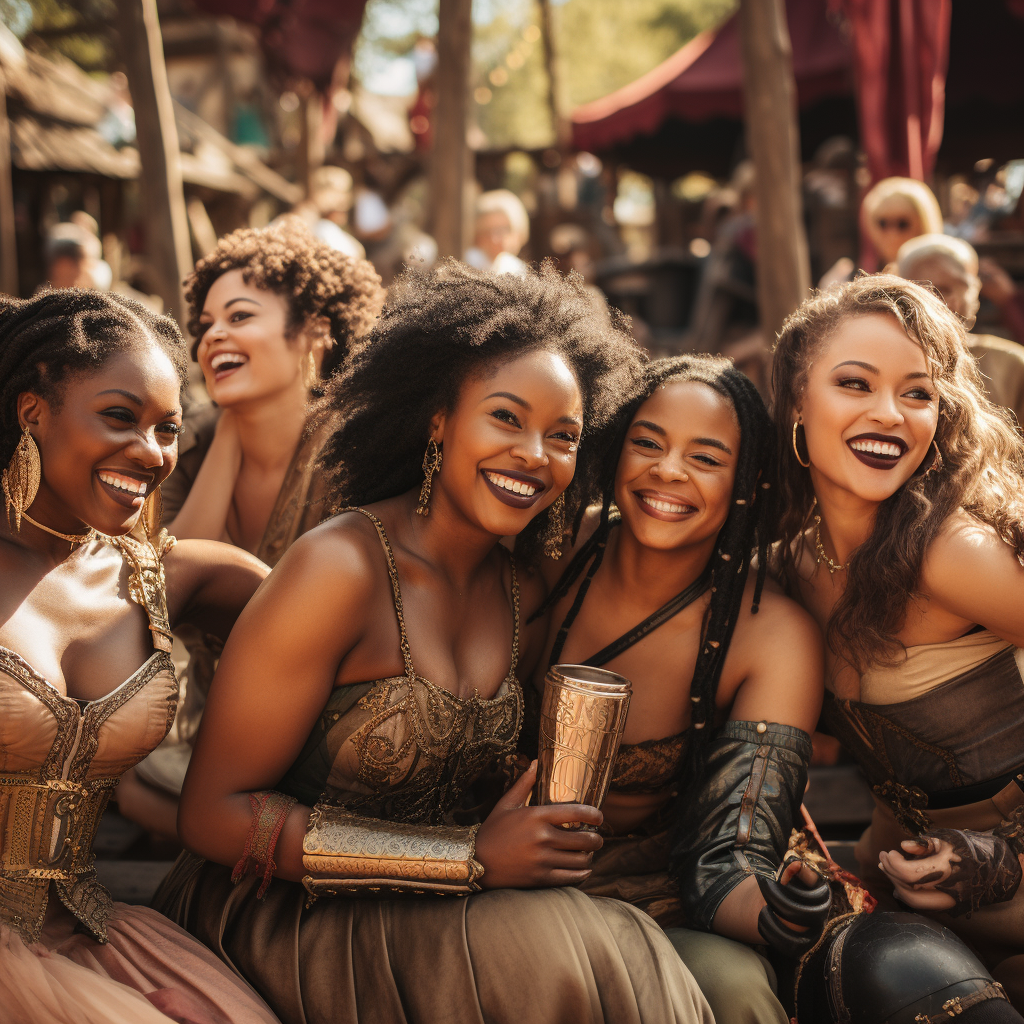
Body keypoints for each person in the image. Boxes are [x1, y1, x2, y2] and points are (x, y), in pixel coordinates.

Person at [153, 263, 714, 1024]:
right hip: (280, 915)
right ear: (439, 420)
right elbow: (211, 816)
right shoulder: (340, 568)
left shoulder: (519, 583)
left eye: (565, 437)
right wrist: (469, 858)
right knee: (549, 953)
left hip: (446, 906)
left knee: (619, 944)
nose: (535, 455)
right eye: (506, 418)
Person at [0, 289, 278, 1024]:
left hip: (97, 939)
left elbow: (350, 638)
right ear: (33, 412)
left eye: (168, 429)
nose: (150, 453)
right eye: (120, 417)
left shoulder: (172, 579)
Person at [523, 355, 824, 1024]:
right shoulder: (549, 550)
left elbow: (734, 855)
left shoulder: (769, 635)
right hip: (495, 881)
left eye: (707, 458)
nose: (668, 471)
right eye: (648, 443)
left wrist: (779, 909)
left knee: (736, 988)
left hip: (662, 902)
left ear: (749, 483)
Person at [772, 274, 1024, 1007]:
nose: (889, 414)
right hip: (915, 890)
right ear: (796, 398)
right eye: (855, 383)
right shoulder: (793, 563)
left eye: (917, 392)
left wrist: (993, 861)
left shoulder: (949, 551)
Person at [117, 221, 385, 825]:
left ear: (315, 332)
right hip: (210, 724)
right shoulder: (191, 439)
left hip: (336, 728)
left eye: (238, 317)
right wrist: (230, 430)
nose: (214, 336)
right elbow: (163, 580)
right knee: (132, 786)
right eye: (206, 324)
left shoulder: (357, 450)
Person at [896, 233, 1024, 428]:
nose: (950, 301)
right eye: (934, 289)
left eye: (962, 287)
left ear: (975, 292)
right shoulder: (888, 361)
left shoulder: (1012, 363)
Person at [861, 177, 943, 269]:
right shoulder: (861, 273)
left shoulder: (941, 276)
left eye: (902, 224)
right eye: (883, 223)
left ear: (922, 224)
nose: (892, 234)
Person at [465, 188, 530, 276]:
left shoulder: (516, 268)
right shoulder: (467, 263)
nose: (495, 238)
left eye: (503, 230)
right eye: (488, 231)